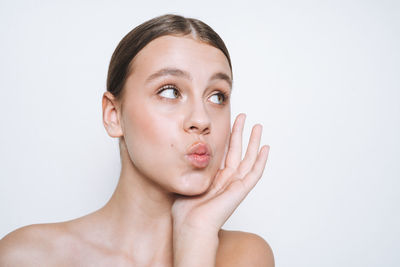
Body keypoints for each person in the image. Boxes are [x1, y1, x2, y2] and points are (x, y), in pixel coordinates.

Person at [0, 14, 274, 266]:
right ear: (113, 115)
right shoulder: (28, 256)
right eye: (170, 92)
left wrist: (196, 238)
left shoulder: (245, 256)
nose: (201, 120)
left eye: (217, 96)